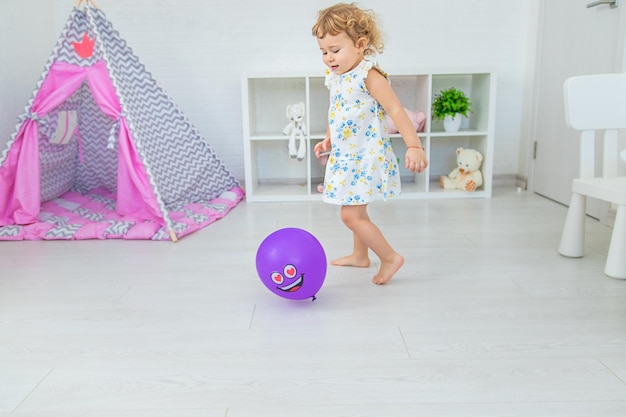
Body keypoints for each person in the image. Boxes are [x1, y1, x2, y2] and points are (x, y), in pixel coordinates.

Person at [312, 2, 428, 285]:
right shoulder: (336, 76)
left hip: (364, 156)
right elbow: (336, 109)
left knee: (350, 216)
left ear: (361, 44)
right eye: (323, 51)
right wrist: (329, 136)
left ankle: (389, 257)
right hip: (346, 154)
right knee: (358, 209)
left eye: (335, 50)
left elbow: (397, 111)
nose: (329, 58)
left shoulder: (369, 76)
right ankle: (360, 256)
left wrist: (414, 145)